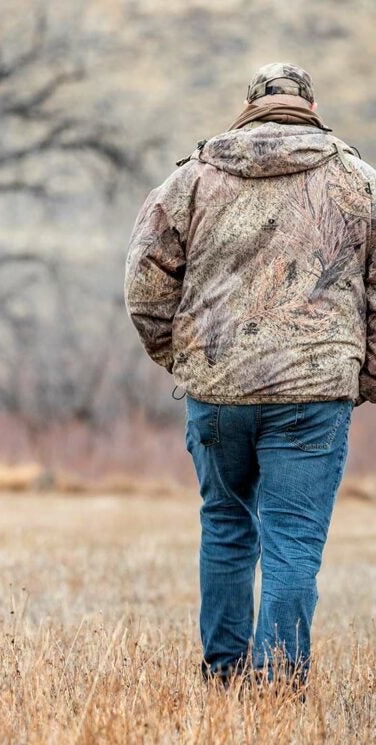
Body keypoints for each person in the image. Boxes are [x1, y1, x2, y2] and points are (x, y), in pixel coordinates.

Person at [125, 63, 376, 685]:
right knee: (294, 542)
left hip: (217, 389)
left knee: (227, 526)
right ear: (310, 107)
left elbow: (144, 282)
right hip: (315, 391)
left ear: (250, 107)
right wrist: (363, 376)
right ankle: (277, 684)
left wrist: (182, 357)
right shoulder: (358, 181)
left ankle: (225, 674)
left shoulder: (191, 179)